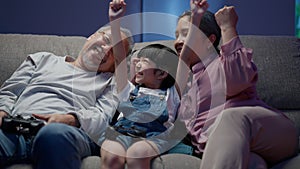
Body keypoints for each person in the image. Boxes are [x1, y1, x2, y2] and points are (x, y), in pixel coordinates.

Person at [174, 0, 298, 168]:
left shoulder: (223, 63)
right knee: (253, 164)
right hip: (234, 147)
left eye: (185, 33)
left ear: (210, 40)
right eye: (176, 36)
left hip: (272, 134)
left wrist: (227, 27)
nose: (178, 41)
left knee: (229, 117)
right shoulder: (186, 83)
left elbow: (236, 80)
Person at [0, 25, 133, 169]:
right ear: (92, 36)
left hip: (65, 132)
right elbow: (10, 92)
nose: (106, 50)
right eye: (106, 39)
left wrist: (71, 119)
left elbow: (102, 117)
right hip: (14, 128)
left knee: (53, 134)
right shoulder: (41, 59)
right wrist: (2, 112)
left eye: (115, 52)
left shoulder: (110, 82)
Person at [100, 1, 180, 169]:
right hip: (121, 132)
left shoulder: (172, 92)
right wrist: (115, 23)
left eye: (144, 61)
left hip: (152, 136)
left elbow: (184, 61)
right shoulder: (128, 90)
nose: (136, 64)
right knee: (112, 157)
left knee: (136, 154)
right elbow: (120, 60)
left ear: (162, 73)